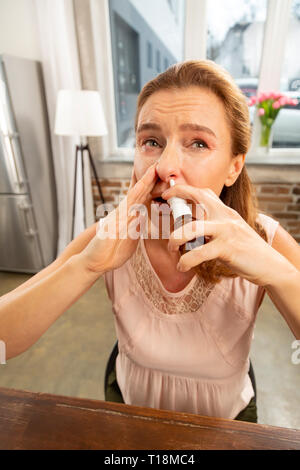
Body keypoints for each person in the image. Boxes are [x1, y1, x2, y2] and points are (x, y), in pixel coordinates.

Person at [0, 61, 299, 424]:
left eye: (198, 143)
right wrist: (87, 266)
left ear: (234, 167)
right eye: (151, 142)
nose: (165, 166)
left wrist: (280, 276)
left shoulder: (263, 238)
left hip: (227, 421)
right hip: (130, 411)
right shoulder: (110, 234)